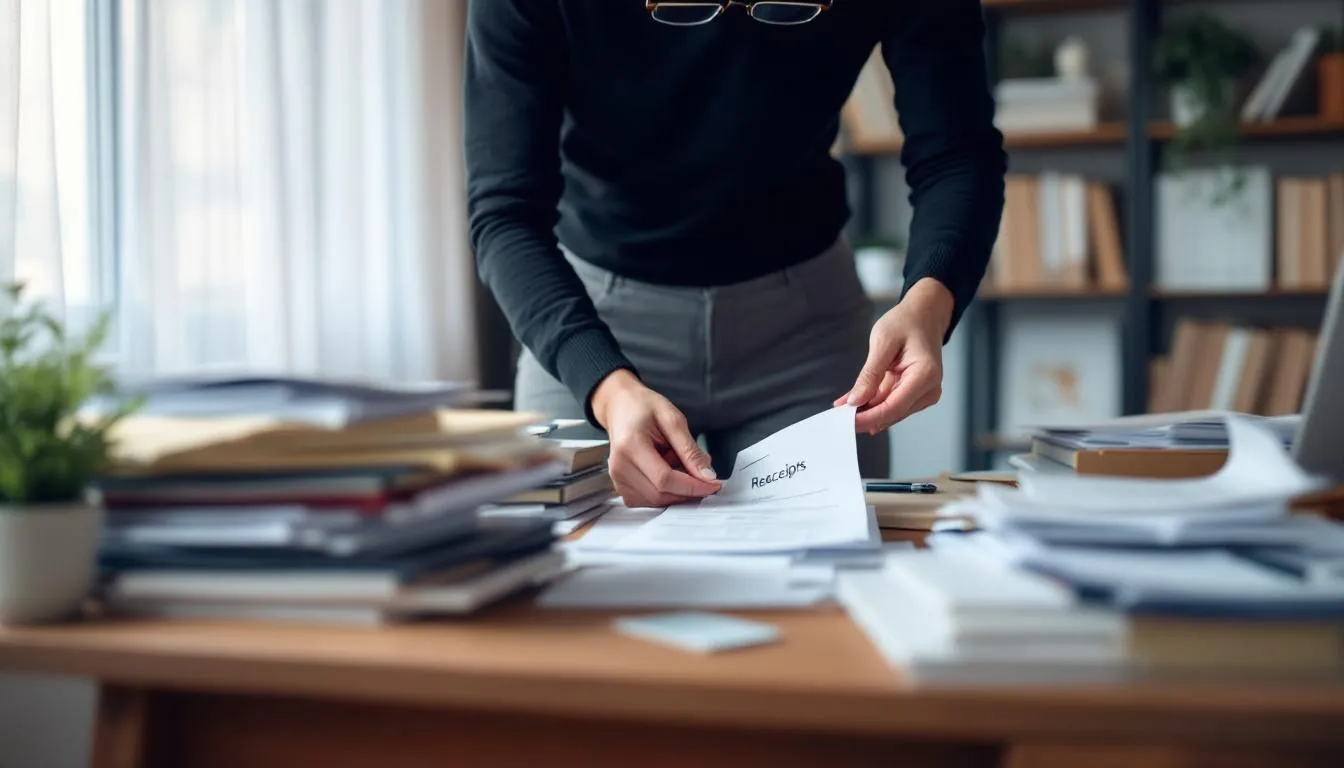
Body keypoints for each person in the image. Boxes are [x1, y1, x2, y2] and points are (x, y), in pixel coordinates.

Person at [464, 0, 1005, 508]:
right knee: (562, 580)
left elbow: (957, 153)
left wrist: (929, 305)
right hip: (588, 318)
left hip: (806, 334)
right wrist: (606, 389)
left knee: (825, 586)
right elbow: (506, 211)